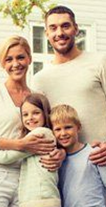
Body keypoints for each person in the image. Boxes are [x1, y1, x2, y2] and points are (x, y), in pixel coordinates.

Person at [0, 35, 57, 207]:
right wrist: (21, 145)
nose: (15, 64)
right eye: (9, 59)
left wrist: (60, 154)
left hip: (27, 176)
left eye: (20, 57)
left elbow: (50, 133)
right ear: (2, 64)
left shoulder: (38, 97)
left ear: (29, 58)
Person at [31, 5, 106, 165]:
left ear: (76, 29)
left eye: (65, 26)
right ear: (47, 34)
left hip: (102, 159)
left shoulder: (100, 62)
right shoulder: (40, 79)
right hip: (68, 168)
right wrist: (55, 152)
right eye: (53, 28)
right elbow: (42, 126)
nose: (59, 33)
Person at [0, 93, 61, 207]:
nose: (30, 118)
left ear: (46, 114)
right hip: (38, 201)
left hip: (41, 202)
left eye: (36, 113)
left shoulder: (40, 135)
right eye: (25, 115)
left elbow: (6, 157)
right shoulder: (43, 134)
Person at [50, 104, 106, 207]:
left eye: (68, 127)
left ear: (78, 127)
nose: (63, 133)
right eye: (58, 129)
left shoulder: (95, 153)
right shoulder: (58, 161)